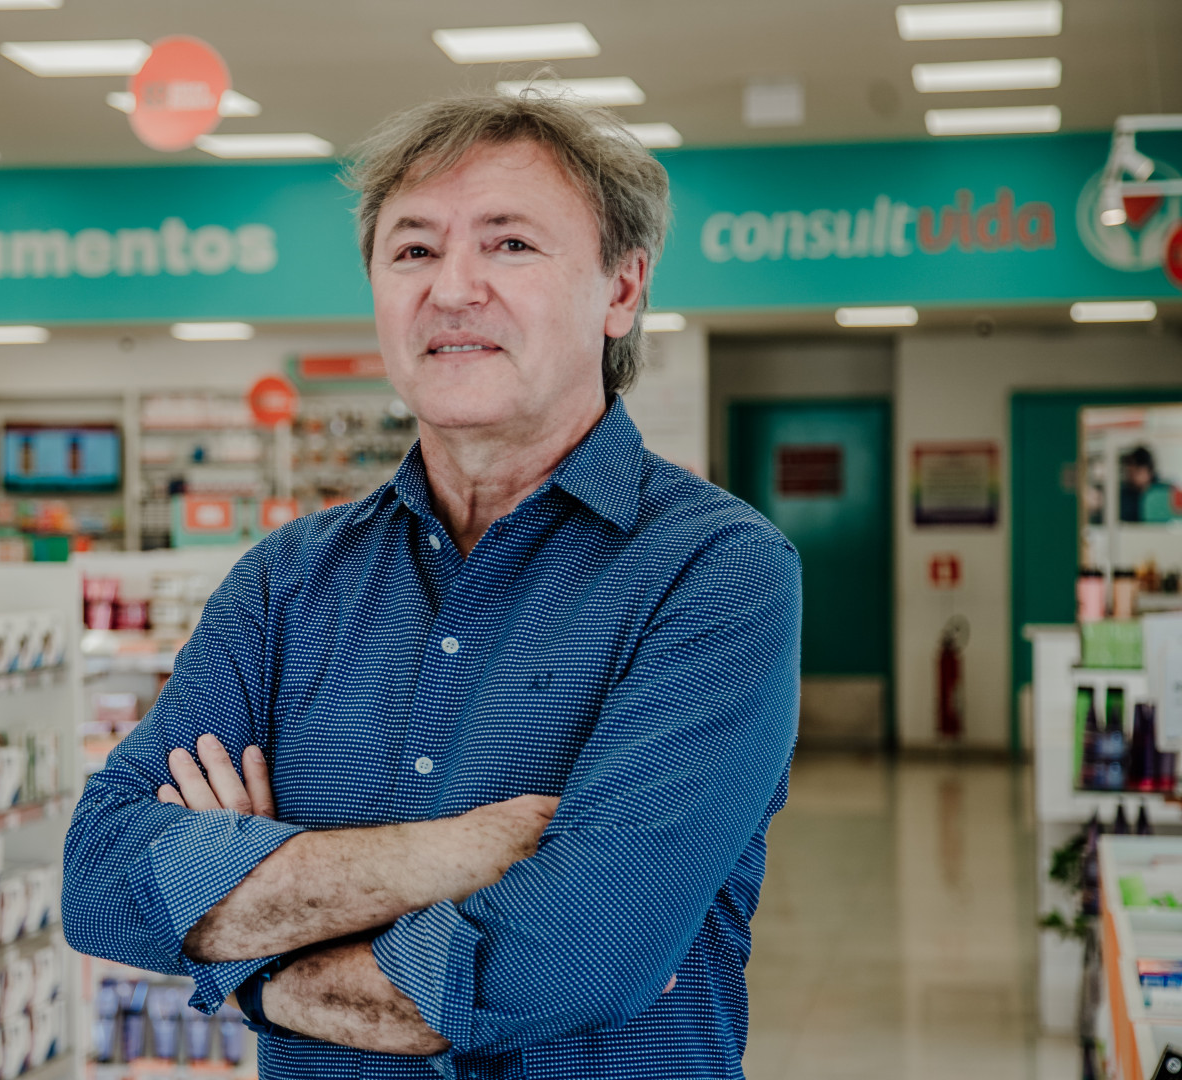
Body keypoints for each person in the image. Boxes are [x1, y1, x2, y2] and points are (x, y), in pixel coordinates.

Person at [62, 89, 801, 1079]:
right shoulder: (285, 583)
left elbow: (573, 957)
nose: (452, 289)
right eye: (413, 249)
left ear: (621, 289)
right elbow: (102, 881)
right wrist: (454, 854)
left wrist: (257, 966)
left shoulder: (714, 571)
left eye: (509, 244)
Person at [1121, 446, 1173, 524]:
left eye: (1137, 471)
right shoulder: (1122, 495)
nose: (1132, 476)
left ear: (1149, 471)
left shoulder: (1165, 491)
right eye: (1130, 472)